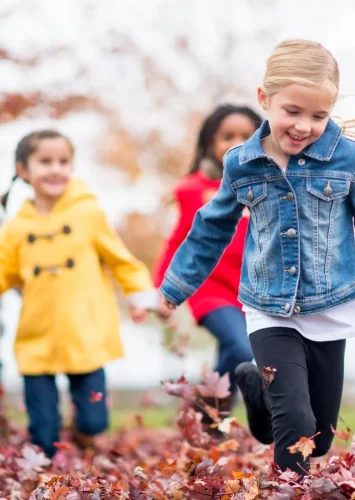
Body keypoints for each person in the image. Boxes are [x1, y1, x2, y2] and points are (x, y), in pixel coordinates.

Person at [159, 39, 355, 474]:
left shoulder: (346, 158)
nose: (304, 125)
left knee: (317, 436)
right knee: (296, 425)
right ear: (265, 99)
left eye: (318, 116)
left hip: (329, 305)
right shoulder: (242, 163)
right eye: (293, 111)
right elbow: (210, 228)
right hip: (269, 309)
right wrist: (174, 288)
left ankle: (253, 386)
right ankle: (289, 487)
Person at [0, 130, 169, 457]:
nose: (56, 169)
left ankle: (82, 439)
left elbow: (121, 260)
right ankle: (46, 479)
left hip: (85, 334)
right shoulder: (16, 228)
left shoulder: (87, 214)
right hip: (37, 338)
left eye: (64, 161)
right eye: (45, 161)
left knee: (94, 421)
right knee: (43, 434)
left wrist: (138, 296)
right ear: (24, 170)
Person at [154, 105, 262, 414]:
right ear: (209, 143)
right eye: (227, 136)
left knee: (238, 350)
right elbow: (177, 240)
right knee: (241, 346)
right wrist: (163, 288)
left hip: (252, 288)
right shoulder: (193, 190)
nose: (237, 142)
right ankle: (211, 406)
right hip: (210, 288)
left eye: (246, 135)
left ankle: (212, 416)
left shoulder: (265, 185)